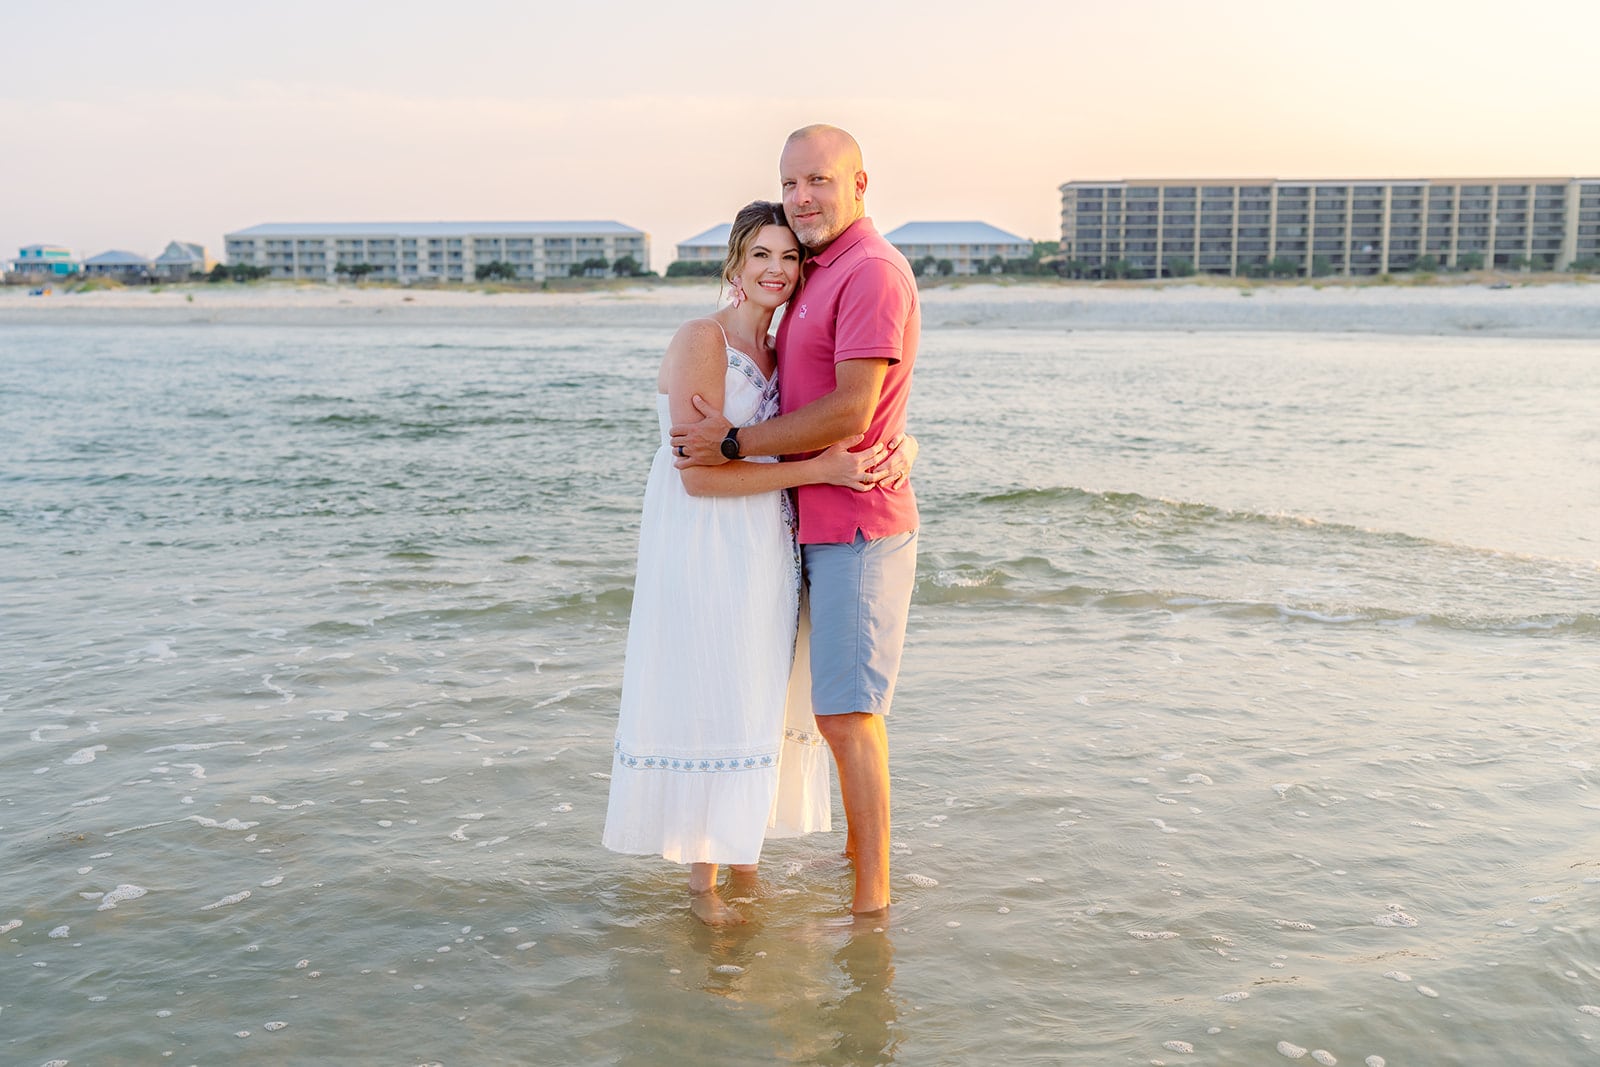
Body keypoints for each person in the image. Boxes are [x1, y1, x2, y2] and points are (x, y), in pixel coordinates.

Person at [601, 200, 913, 926]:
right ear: (735, 266)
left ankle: (743, 860)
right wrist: (820, 472)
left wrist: (901, 445)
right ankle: (701, 885)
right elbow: (699, 478)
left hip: (765, 544)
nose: (777, 270)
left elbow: (841, 414)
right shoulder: (701, 338)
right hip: (707, 543)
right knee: (712, 686)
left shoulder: (778, 351)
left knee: (754, 695)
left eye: (789, 257)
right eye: (761, 256)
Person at [671, 125, 919, 917]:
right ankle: (852, 867)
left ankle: (871, 906)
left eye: (819, 179)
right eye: (790, 183)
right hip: (805, 524)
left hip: (856, 522)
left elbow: (853, 408)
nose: (803, 197)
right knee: (828, 709)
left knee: (847, 714)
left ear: (859, 183)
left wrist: (734, 442)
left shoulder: (869, 268)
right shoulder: (818, 269)